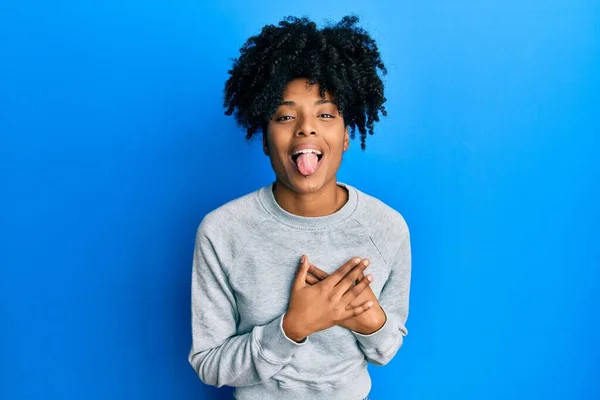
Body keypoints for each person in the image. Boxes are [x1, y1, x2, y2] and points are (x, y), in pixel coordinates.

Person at [188, 15, 411, 400]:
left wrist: (371, 321)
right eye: (285, 116)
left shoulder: (387, 227)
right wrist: (291, 327)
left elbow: (386, 351)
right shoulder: (222, 231)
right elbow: (209, 363)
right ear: (264, 138)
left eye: (325, 114)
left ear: (345, 136)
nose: (306, 128)